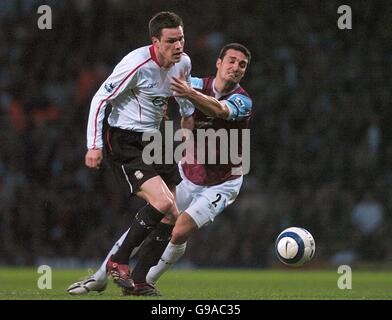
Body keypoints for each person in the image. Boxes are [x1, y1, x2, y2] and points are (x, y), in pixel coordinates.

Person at [67, 43, 252, 296]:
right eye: (231, 60)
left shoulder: (243, 100)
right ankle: (100, 277)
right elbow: (163, 91)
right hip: (188, 172)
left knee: (181, 228)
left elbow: (219, 109)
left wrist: (188, 94)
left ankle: (144, 281)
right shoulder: (193, 83)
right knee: (155, 215)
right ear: (219, 63)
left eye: (242, 65)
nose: (236, 67)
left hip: (224, 181)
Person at [80, 11, 192, 295]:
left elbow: (181, 95)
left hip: (156, 139)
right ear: (155, 41)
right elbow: (101, 98)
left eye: (181, 39)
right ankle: (118, 261)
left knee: (172, 215)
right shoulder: (136, 64)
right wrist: (93, 145)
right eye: (171, 41)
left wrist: (188, 119)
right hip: (125, 140)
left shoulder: (184, 63)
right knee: (164, 204)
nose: (178, 46)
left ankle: (139, 280)